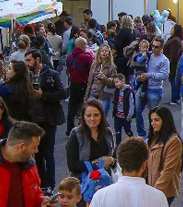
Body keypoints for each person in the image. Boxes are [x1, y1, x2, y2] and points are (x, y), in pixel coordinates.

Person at [25, 49, 67, 191]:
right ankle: (42, 182)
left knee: (48, 152)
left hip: (49, 119)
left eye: (29, 60)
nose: (27, 63)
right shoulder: (27, 75)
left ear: (37, 59)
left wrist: (43, 95)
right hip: (34, 119)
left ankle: (50, 184)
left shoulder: (52, 74)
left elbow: (62, 93)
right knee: (37, 153)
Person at [66, 99, 116, 177]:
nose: (92, 119)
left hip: (105, 179)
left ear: (101, 116)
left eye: (96, 115)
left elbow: (114, 158)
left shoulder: (108, 133)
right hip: (84, 181)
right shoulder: (76, 134)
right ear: (83, 117)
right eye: (88, 115)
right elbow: (72, 165)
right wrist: (96, 164)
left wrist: (112, 161)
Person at [147, 106, 183, 206]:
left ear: (165, 120)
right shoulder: (154, 138)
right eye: (151, 120)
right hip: (151, 188)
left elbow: (168, 170)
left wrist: (156, 193)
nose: (153, 123)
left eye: (157, 120)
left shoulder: (174, 141)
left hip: (164, 192)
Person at [134, 36, 170, 138]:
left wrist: (149, 75)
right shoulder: (147, 56)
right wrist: (139, 76)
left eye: (156, 47)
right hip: (143, 87)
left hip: (155, 89)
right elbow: (138, 66)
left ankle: (153, 135)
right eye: (152, 46)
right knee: (137, 110)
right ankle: (141, 133)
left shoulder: (164, 60)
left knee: (153, 115)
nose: (153, 48)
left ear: (161, 48)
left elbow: (164, 75)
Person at [65, 37, 95, 135]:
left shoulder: (70, 56)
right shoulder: (86, 57)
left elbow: (68, 69)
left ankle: (69, 128)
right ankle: (82, 126)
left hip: (73, 84)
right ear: (82, 45)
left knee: (72, 107)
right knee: (83, 106)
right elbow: (92, 69)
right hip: (83, 84)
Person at [86, 44, 123, 119]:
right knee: (91, 116)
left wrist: (104, 78)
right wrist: (86, 96)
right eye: (102, 51)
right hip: (92, 93)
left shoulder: (112, 67)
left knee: (102, 117)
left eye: (106, 51)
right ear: (99, 53)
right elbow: (89, 81)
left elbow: (113, 84)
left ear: (109, 53)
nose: (104, 52)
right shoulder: (94, 64)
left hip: (103, 95)